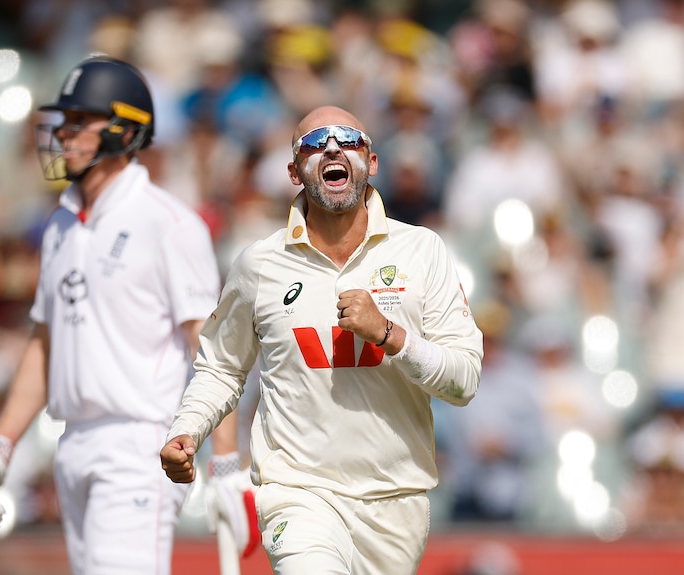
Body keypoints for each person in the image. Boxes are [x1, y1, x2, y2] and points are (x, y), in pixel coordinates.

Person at [0, 56, 244, 574]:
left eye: (80, 121)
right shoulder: (60, 226)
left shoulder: (169, 223)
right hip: (74, 442)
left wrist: (225, 462)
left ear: (125, 130)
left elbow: (213, 347)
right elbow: (45, 345)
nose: (64, 134)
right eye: (63, 121)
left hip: (142, 441)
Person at [160, 105, 484, 574]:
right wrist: (186, 429)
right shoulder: (259, 264)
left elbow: (464, 381)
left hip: (395, 502)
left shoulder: (422, 250)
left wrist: (390, 335)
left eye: (349, 140)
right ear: (294, 172)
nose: (332, 148)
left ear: (372, 162)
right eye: (314, 143)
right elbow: (222, 367)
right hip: (297, 492)